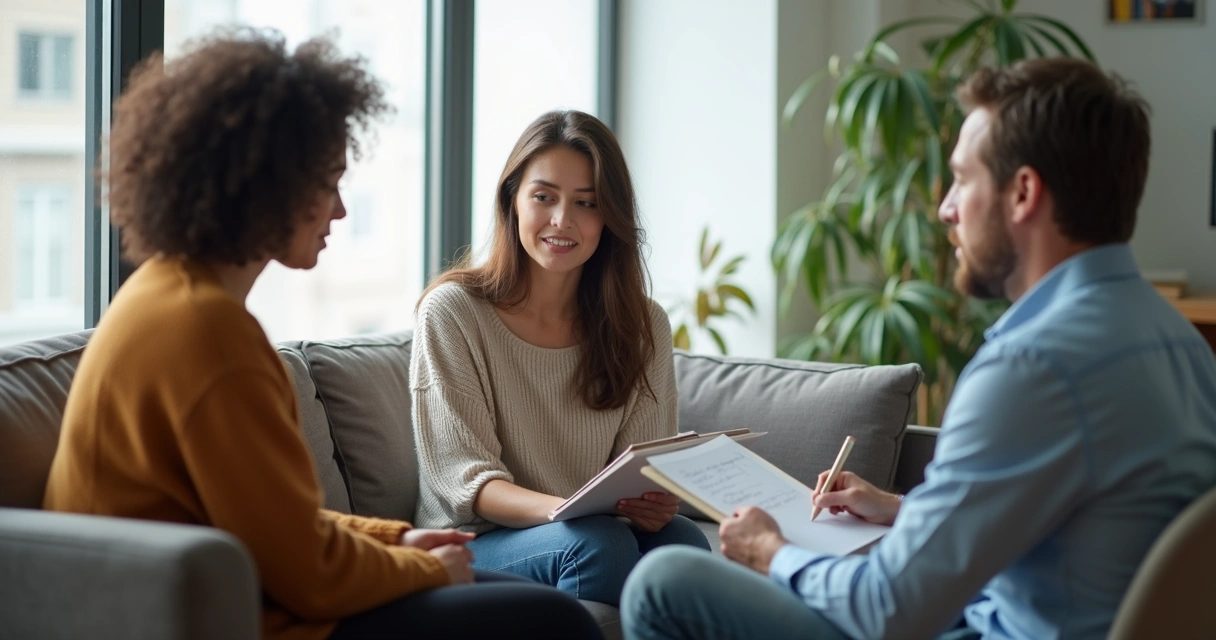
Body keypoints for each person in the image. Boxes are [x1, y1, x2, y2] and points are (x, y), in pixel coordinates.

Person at [621, 57, 1216, 640]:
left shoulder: (1034, 366)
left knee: (663, 580)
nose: (945, 208)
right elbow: (1083, 524)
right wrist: (904, 512)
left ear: (1023, 193)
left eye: (962, 178)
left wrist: (769, 550)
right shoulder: (1179, 345)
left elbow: (890, 613)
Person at [41, 29, 601, 640]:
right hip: (248, 615)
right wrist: (417, 566)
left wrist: (400, 538)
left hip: (252, 588)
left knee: (525, 600)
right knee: (554, 618)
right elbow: (307, 574)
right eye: (327, 183)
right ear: (266, 185)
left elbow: (285, 525)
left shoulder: (168, 294)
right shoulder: (208, 336)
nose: (339, 210)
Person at [410, 110, 711, 606]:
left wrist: (652, 505)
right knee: (599, 544)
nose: (561, 221)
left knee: (681, 540)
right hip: (478, 540)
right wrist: (573, 511)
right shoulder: (454, 312)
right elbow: (467, 486)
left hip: (583, 529)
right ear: (512, 201)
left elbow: (641, 469)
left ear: (609, 216)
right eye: (544, 197)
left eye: (586, 203)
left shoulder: (642, 325)